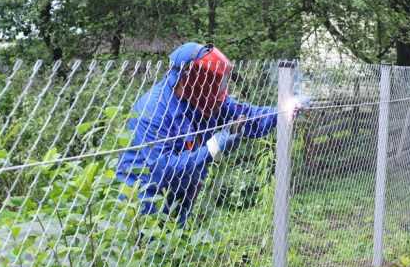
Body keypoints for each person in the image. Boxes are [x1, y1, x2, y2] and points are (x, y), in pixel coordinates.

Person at [115, 42, 293, 224]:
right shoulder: (153, 111)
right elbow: (164, 171)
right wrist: (212, 149)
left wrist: (282, 113)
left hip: (180, 200)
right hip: (142, 206)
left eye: (222, 83)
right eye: (218, 83)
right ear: (193, 79)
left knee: (176, 237)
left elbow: (247, 116)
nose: (222, 90)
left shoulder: (206, 100)